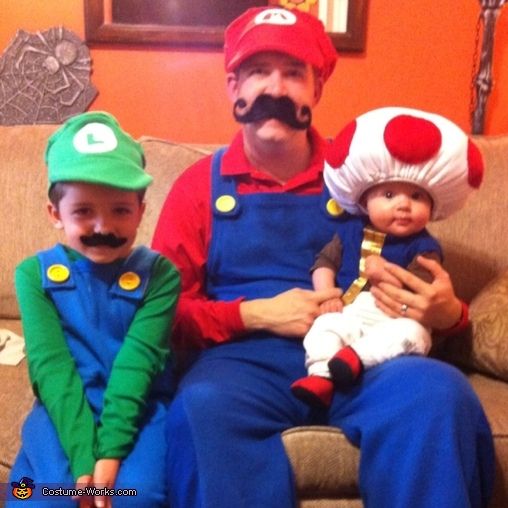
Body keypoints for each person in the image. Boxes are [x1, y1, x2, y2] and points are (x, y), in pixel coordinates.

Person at [152, 6, 495, 508]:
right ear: (233, 86)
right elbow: (159, 313)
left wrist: (450, 315)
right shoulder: (196, 187)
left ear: (317, 89)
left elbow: (419, 296)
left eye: (294, 73)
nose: (275, 88)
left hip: (368, 356)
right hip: (243, 364)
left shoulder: (369, 180)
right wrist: (252, 313)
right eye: (258, 71)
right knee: (201, 410)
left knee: (439, 395)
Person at [8, 112, 180, 508]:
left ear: (141, 210)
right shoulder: (33, 276)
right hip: (64, 408)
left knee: (135, 497)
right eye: (83, 211)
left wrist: (110, 456)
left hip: (136, 409)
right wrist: (85, 462)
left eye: (120, 210)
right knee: (41, 495)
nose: (103, 226)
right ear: (55, 214)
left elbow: (137, 366)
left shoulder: (161, 276)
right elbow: (51, 368)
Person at [291, 106, 484, 407]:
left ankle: (355, 358)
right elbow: (323, 263)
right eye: (389, 195)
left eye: (417, 197)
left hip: (394, 316)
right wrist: (327, 295)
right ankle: (321, 375)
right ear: (364, 202)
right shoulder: (348, 232)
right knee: (322, 328)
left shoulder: (424, 247)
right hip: (350, 310)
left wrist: (384, 273)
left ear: (432, 209)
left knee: (414, 336)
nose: (404, 205)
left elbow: (422, 289)